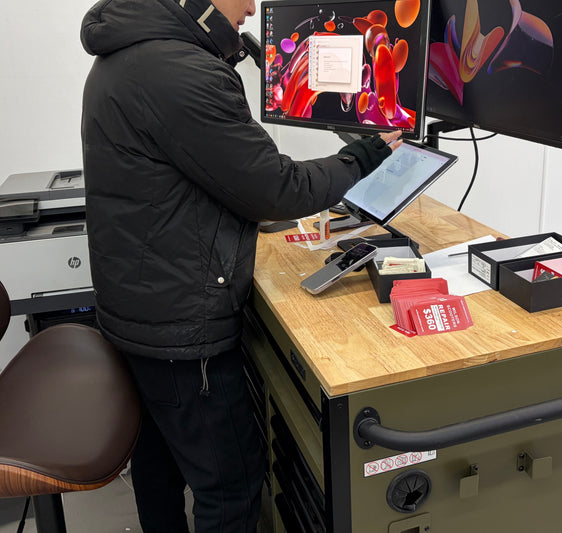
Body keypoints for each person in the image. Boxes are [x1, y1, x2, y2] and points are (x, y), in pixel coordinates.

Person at [79, 0, 402, 531]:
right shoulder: (180, 72)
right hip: (183, 331)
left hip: (141, 308)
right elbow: (277, 188)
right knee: (229, 485)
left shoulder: (131, 51)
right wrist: (362, 157)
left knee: (159, 461)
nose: (253, 7)